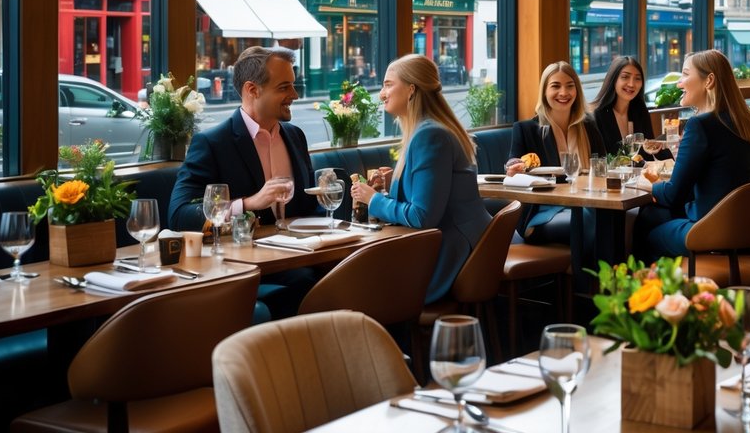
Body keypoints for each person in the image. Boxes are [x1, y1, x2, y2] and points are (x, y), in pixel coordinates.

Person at [168, 45, 318, 317]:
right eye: (285, 87)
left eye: (293, 86)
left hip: (299, 257)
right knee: (307, 283)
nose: (295, 95)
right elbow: (178, 215)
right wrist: (249, 203)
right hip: (245, 269)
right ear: (252, 90)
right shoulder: (213, 143)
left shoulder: (295, 136)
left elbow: (308, 207)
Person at [348, 54, 490, 304]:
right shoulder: (430, 129)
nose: (382, 93)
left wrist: (375, 200)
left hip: (450, 256)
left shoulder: (429, 135)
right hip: (468, 248)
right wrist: (392, 188)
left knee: (356, 285)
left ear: (411, 89)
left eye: (388, 84)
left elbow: (422, 217)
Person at [634, 49, 750, 261]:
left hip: (712, 233)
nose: (679, 83)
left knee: (646, 227)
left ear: (709, 81)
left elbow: (672, 195)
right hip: (749, 234)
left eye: (685, 74)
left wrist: (644, 183)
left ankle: (657, 293)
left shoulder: (701, 125)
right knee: (653, 215)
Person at [509, 61, 606, 243]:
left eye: (570, 86)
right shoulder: (525, 129)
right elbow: (513, 163)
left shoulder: (589, 127)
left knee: (611, 216)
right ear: (544, 92)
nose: (564, 93)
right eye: (555, 86)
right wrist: (515, 167)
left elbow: (602, 169)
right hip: (542, 211)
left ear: (577, 91)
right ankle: (579, 272)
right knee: (585, 219)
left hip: (587, 203)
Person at [590, 56, 656, 153]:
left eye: (637, 78)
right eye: (625, 77)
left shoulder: (640, 110)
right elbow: (598, 157)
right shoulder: (598, 114)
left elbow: (649, 150)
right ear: (613, 80)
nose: (631, 84)